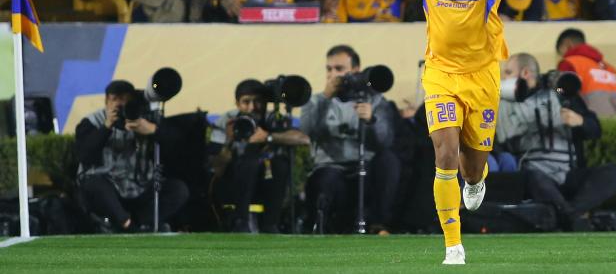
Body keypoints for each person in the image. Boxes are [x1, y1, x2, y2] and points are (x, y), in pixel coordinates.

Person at [365, 0, 510, 264]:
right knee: (444, 154)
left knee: (472, 164)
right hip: (440, 72)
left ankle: (476, 181)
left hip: (481, 76)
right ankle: (453, 245)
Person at [498, 53, 616, 231]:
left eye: (508, 72)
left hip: (568, 174)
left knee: (613, 172)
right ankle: (574, 217)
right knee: (531, 177)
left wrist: (579, 121)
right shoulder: (504, 101)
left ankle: (567, 215)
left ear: (525, 73)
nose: (503, 78)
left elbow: (595, 129)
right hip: (535, 175)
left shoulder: (560, 92)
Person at [300, 45, 400, 235]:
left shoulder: (376, 100)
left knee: (388, 161)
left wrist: (372, 121)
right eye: (329, 69)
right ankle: (320, 226)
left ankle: (378, 224)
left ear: (356, 70)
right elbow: (307, 130)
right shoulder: (315, 101)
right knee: (326, 179)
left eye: (339, 69)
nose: (333, 74)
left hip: (366, 169)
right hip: (331, 168)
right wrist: (325, 98)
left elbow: (385, 140)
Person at [75, 80, 189, 232]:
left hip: (140, 186)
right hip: (109, 187)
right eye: (115, 99)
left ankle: (142, 223)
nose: (120, 104)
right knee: (94, 184)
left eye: (125, 99)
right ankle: (126, 224)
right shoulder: (92, 121)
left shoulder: (144, 117)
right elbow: (85, 155)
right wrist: (107, 126)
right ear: (106, 101)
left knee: (178, 190)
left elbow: (177, 145)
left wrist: (153, 130)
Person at [212, 79, 310, 233]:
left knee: (280, 164)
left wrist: (269, 137)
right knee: (249, 163)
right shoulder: (227, 121)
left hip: (267, 182)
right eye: (246, 102)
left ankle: (271, 225)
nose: (252, 107)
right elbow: (216, 169)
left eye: (258, 101)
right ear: (237, 104)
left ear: (265, 103)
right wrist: (229, 142)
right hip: (233, 181)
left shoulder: (272, 119)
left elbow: (304, 139)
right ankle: (241, 222)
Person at [555, 28, 616, 116]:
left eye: (561, 51)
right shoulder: (612, 70)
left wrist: (554, 91)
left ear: (568, 43)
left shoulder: (569, 63)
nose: (562, 56)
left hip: (591, 123)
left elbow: (562, 91)